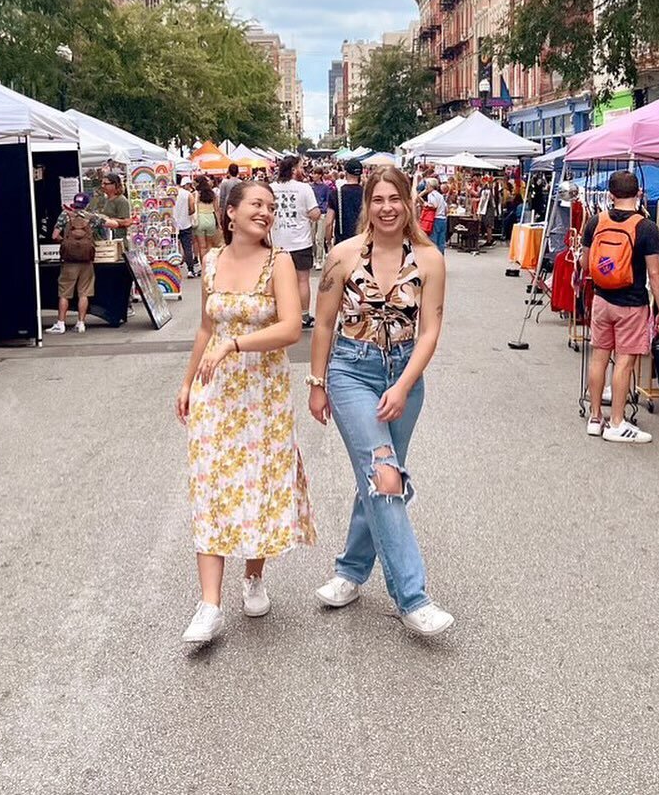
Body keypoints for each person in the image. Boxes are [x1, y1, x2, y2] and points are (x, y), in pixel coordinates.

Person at [307, 166, 452, 637]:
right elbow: (324, 323)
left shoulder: (430, 259)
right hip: (352, 369)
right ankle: (413, 596)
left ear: (409, 202)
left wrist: (405, 384)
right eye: (378, 199)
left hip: (405, 374)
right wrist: (317, 382)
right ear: (366, 204)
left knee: (376, 477)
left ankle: (350, 570)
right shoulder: (343, 256)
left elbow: (430, 330)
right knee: (384, 474)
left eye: (396, 198)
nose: (387, 207)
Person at [175, 180, 315, 644]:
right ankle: (209, 604)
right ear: (229, 212)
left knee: (258, 482)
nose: (266, 212)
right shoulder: (212, 262)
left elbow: (292, 328)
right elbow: (204, 328)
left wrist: (235, 344)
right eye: (257, 204)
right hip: (216, 393)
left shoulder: (279, 262)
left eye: (271, 207)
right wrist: (187, 380)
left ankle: (253, 576)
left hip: (263, 396)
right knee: (210, 484)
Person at [581, 170, 659, 443]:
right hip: (632, 303)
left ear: (610, 194)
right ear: (639, 193)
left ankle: (595, 418)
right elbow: (655, 274)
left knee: (599, 357)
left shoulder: (595, 222)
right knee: (625, 361)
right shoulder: (646, 227)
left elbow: (585, 264)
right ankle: (617, 422)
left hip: (601, 299)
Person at [271, 155, 321, 328]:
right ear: (293, 170)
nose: (303, 170)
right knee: (302, 280)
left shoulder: (271, 188)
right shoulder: (304, 188)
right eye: (300, 167)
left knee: (278, 281)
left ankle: (279, 314)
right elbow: (315, 214)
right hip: (300, 241)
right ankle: (304, 315)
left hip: (278, 242)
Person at [49, 191, 98, 334]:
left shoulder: (65, 215)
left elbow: (54, 235)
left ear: (74, 203)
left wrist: (66, 242)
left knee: (64, 293)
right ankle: (81, 323)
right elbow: (105, 228)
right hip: (86, 261)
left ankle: (61, 324)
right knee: (84, 293)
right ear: (87, 204)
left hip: (69, 262)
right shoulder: (91, 217)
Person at [326, 158, 364, 251]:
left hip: (342, 242)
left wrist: (328, 241)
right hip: (362, 240)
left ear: (346, 173)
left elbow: (329, 222)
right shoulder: (367, 193)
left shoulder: (336, 194)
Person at [192, 175, 220, 269]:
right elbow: (216, 210)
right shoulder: (212, 194)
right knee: (209, 245)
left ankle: (204, 266)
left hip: (200, 219)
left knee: (202, 246)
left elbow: (193, 207)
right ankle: (210, 265)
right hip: (211, 219)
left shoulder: (196, 193)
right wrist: (219, 224)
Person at [172, 177, 198, 278]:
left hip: (172, 225)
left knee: (173, 247)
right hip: (185, 224)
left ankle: (173, 270)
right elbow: (192, 209)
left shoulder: (169, 193)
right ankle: (190, 270)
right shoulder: (187, 194)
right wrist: (187, 214)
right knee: (187, 247)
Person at [99, 173, 132, 240]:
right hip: (106, 239)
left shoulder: (121, 200)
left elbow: (127, 222)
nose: (103, 186)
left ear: (115, 185)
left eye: (106, 184)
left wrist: (109, 221)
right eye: (102, 183)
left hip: (118, 240)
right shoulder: (104, 200)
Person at [310, 168, 331, 270]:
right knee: (312, 238)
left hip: (322, 213)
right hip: (312, 214)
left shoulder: (325, 188)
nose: (312, 175)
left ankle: (319, 260)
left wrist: (323, 209)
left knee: (319, 238)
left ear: (319, 175)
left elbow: (327, 200)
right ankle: (314, 257)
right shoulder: (310, 187)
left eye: (314, 174)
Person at [422, 177, 447, 253]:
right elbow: (446, 207)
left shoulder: (431, 195)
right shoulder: (440, 195)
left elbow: (434, 205)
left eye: (427, 185)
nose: (426, 187)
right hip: (443, 219)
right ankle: (441, 256)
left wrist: (427, 204)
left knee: (434, 239)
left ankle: (434, 257)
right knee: (441, 241)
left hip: (436, 218)